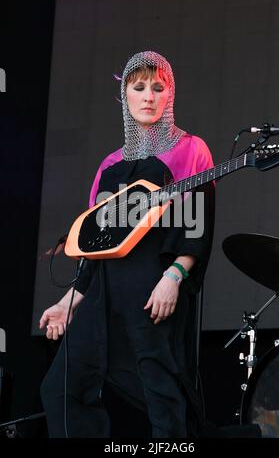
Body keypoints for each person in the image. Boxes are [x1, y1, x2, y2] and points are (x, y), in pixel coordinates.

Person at [39, 51, 215, 438]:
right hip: (104, 296)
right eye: (139, 88)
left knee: (163, 400)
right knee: (60, 390)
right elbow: (96, 247)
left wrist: (175, 275)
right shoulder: (109, 165)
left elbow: (198, 221)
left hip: (154, 290)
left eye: (158, 88)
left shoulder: (192, 149)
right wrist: (67, 302)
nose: (149, 96)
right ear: (125, 97)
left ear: (169, 96)